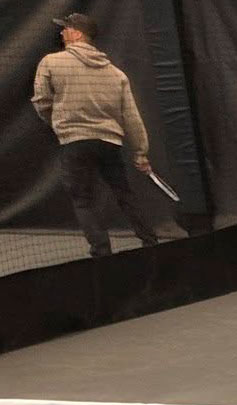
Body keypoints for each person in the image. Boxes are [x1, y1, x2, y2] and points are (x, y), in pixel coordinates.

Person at [30, 11, 159, 258]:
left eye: (65, 28)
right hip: (109, 143)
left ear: (77, 34)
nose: (61, 32)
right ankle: (150, 243)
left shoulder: (51, 62)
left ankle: (101, 253)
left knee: (82, 198)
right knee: (124, 193)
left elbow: (41, 101)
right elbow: (131, 116)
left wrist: (56, 121)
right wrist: (141, 152)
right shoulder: (115, 73)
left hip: (75, 142)